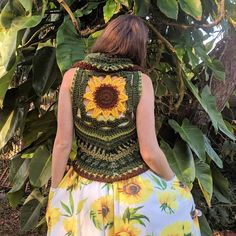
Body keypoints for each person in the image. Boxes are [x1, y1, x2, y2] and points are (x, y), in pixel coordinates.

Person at [45, 14, 201, 236]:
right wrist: (174, 182)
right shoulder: (141, 81)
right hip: (135, 192)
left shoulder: (72, 77)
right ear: (139, 46)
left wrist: (55, 191)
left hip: (84, 191)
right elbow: (149, 152)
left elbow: (62, 143)